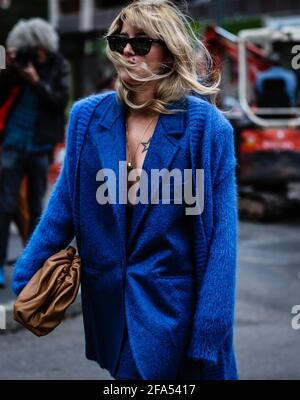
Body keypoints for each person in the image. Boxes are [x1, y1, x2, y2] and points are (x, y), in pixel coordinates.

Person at [12, 1, 238, 380]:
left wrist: (209, 331)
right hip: (111, 310)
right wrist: (26, 278)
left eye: (141, 42)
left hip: (175, 312)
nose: (128, 51)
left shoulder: (208, 130)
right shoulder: (87, 117)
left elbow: (221, 243)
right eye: (119, 42)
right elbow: (64, 206)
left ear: (169, 50)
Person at [0, 18, 70, 288]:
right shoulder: (14, 66)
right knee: (4, 206)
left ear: (43, 44)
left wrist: (37, 81)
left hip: (40, 145)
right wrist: (8, 65)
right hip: (12, 142)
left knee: (35, 206)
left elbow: (59, 102)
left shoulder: (58, 65)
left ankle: (30, 263)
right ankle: (2, 263)